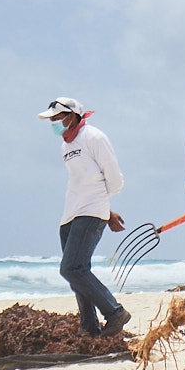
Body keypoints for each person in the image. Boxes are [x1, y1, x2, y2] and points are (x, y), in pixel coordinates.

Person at [40, 97, 131, 338]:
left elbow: (115, 179)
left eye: (57, 118)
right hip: (70, 214)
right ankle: (90, 329)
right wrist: (107, 212)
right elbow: (81, 180)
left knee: (70, 268)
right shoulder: (65, 145)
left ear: (72, 116)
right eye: (51, 119)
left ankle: (115, 312)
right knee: (78, 274)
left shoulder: (94, 137)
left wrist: (102, 208)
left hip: (90, 212)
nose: (54, 123)